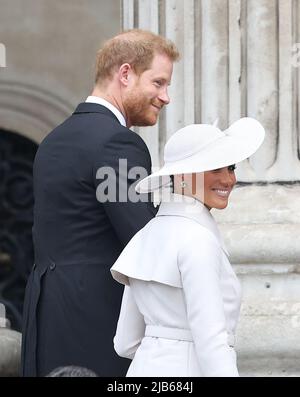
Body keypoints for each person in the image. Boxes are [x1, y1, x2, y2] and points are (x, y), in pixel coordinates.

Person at [21, 29, 179, 377]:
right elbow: (143, 237)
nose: (165, 97)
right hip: (97, 324)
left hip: (45, 320)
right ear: (125, 74)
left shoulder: (54, 139)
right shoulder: (116, 143)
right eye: (158, 82)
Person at [111, 118, 265, 376]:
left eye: (231, 168)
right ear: (183, 176)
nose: (229, 179)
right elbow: (213, 344)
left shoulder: (144, 235)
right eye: (215, 168)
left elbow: (124, 342)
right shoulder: (198, 239)